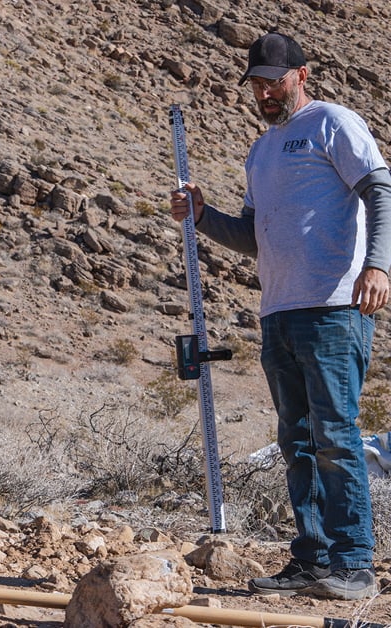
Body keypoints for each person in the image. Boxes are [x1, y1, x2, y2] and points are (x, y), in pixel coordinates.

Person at [169, 33, 389, 601]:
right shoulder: (261, 150)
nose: (266, 92)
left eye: (276, 81)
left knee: (336, 437)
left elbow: (380, 189)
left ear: (302, 75)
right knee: (296, 440)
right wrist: (202, 215)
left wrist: (379, 266)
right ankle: (312, 558)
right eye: (258, 84)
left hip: (335, 308)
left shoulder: (333, 123)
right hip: (280, 310)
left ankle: (354, 563)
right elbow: (250, 234)